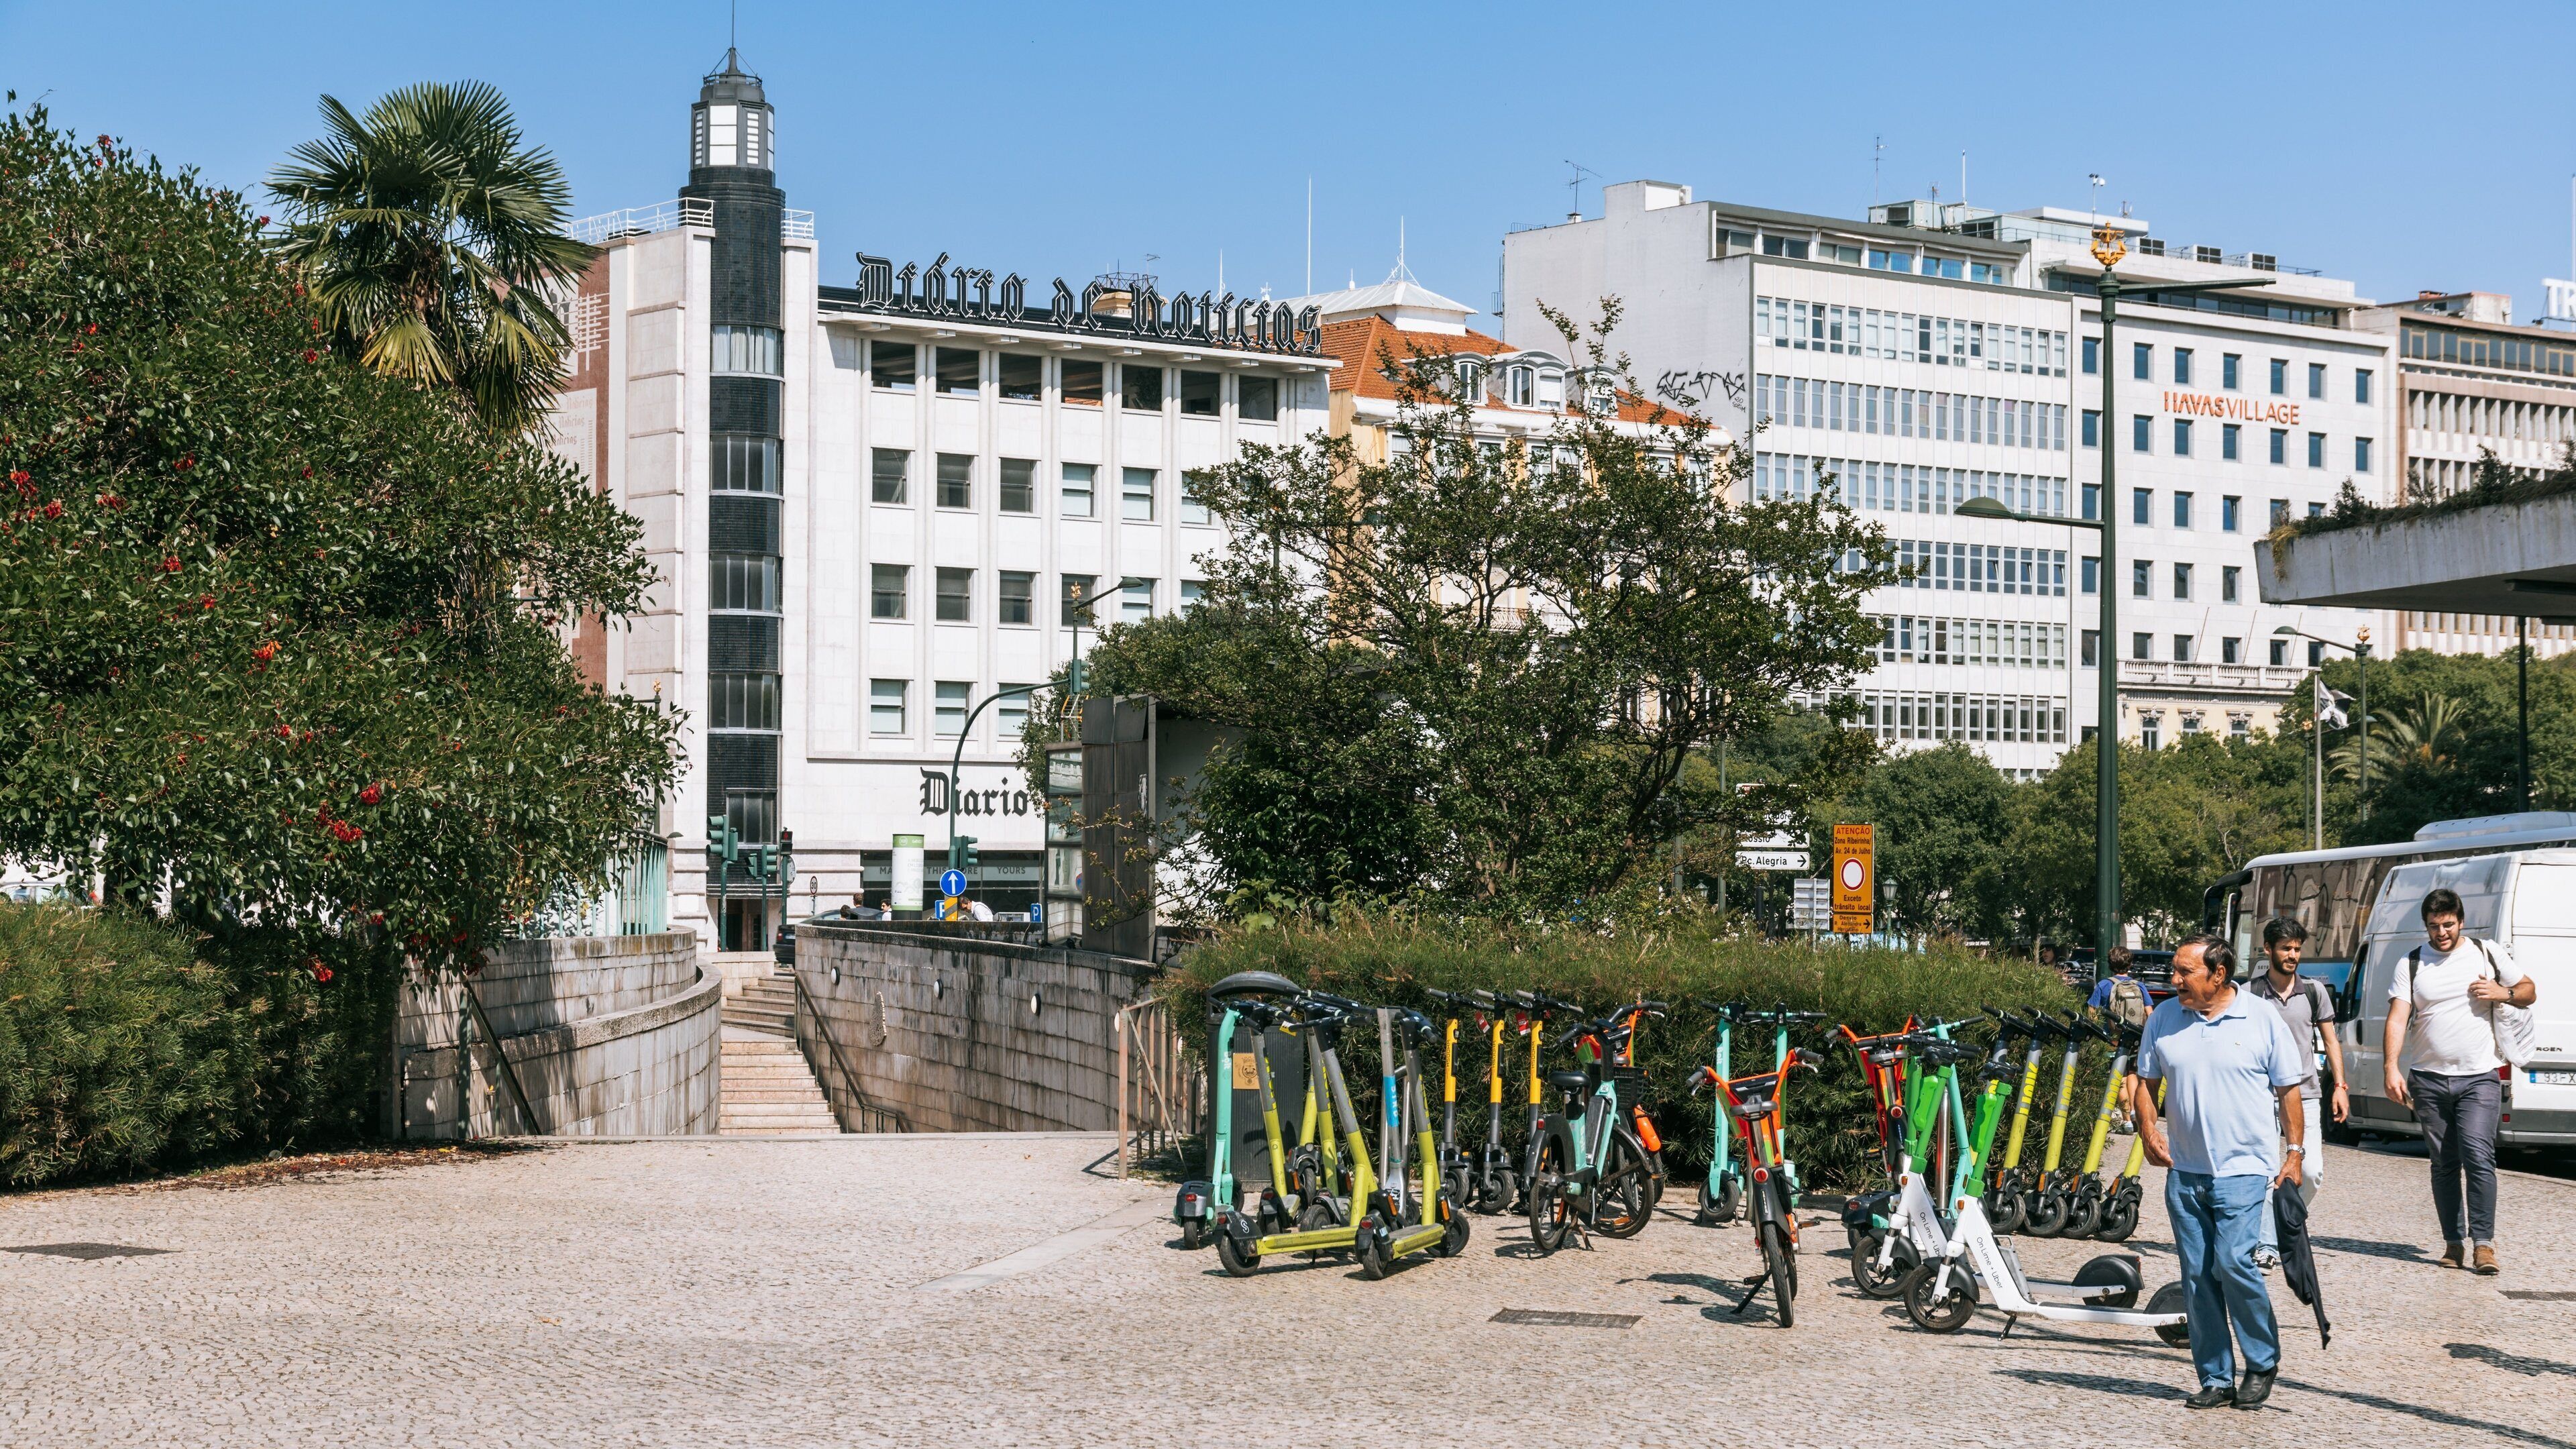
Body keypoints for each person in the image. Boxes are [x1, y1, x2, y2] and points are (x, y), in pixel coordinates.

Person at [2129, 934, 2307, 1411]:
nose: (2174, 980)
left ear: (2219, 974)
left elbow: (2289, 1091)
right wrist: (2147, 1131)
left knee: (2232, 1263)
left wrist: (2294, 1153)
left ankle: (2263, 1359)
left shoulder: (2261, 1018)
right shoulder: (2165, 1018)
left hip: (2244, 1170)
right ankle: (2215, 1378)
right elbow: (2145, 1082)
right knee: (2197, 1277)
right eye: (2175, 971)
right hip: (2185, 1172)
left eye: (2184, 972)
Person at [2385, 887, 2534, 1276]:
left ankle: (2484, 1244)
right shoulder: (2412, 962)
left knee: (2479, 1157)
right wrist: (2390, 1067)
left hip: (2479, 1077)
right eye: (2434, 927)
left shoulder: (2486, 952)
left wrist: (2502, 992)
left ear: (2461, 921)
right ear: (2426, 926)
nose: (2441, 933)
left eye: (2448, 925)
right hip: (2429, 1080)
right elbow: (2398, 1017)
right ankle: (2453, 1242)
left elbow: (2529, 991)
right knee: (2443, 1164)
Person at [2250, 916, 2345, 1269]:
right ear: (2268, 950)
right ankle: (2267, 1244)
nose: (2292, 955)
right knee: (2263, 1172)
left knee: (2313, 1171)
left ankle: (2276, 1226)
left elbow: (2331, 1041)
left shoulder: (2314, 993)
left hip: (2305, 1094)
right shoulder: (2251, 993)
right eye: (2285, 948)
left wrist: (2341, 1087)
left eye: (2296, 949)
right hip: (2261, 1095)